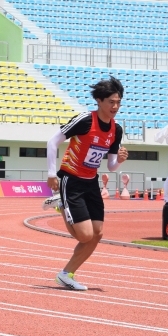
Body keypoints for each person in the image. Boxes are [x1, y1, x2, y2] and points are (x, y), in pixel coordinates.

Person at [46, 77, 129, 291]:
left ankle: (66, 274)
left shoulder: (116, 129)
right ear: (99, 101)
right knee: (84, 235)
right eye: (111, 102)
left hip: (91, 181)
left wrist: (118, 160)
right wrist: (51, 173)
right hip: (71, 179)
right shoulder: (84, 120)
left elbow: (110, 166)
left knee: (97, 233)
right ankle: (61, 204)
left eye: (118, 102)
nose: (115, 107)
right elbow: (52, 142)